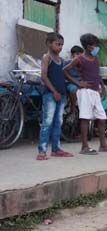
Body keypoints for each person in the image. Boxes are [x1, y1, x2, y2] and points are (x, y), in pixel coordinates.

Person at [64, 33, 107, 155]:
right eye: (95, 46)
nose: (97, 48)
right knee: (85, 118)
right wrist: (78, 83)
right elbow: (65, 70)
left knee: (102, 117)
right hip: (85, 92)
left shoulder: (95, 59)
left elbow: (97, 74)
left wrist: (103, 88)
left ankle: (103, 145)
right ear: (88, 47)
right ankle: (84, 146)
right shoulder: (79, 59)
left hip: (95, 91)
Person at [37, 32, 74, 160]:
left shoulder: (61, 60)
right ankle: (42, 151)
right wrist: (54, 91)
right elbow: (44, 76)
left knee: (58, 122)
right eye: (58, 44)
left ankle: (56, 149)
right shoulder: (47, 58)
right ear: (49, 44)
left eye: (62, 45)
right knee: (47, 122)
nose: (60, 47)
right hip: (50, 95)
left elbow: (63, 76)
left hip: (61, 95)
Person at [65, 45, 84, 114]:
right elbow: (64, 75)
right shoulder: (67, 63)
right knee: (73, 89)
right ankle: (73, 110)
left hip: (80, 82)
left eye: (81, 55)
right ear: (72, 55)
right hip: (70, 83)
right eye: (77, 54)